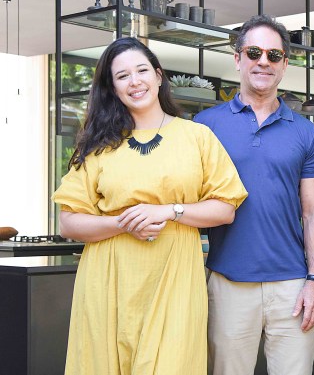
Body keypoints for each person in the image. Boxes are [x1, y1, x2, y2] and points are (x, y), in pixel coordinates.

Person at [52, 37, 248, 375]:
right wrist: (123, 223)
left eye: (142, 70)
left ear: (158, 76)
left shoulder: (197, 136)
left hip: (174, 278)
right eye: (122, 76)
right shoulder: (98, 145)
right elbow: (68, 223)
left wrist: (169, 211)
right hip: (108, 281)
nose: (135, 81)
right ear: (112, 88)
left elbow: (225, 208)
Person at [193, 14, 314, 375]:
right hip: (228, 283)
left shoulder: (305, 132)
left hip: (293, 286)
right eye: (254, 52)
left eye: (273, 55)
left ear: (285, 64)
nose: (263, 61)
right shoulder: (205, 126)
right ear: (237, 58)